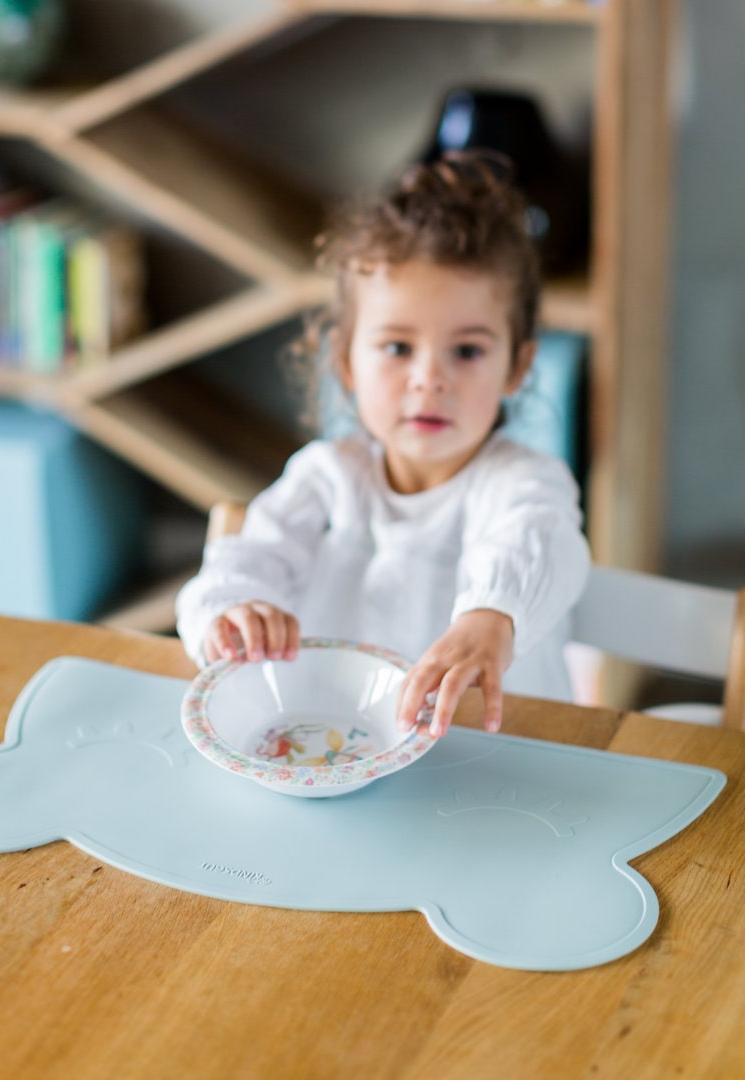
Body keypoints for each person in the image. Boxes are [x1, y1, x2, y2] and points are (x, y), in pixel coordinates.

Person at [176, 155, 591, 738]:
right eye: (398, 348)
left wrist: (490, 617)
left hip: (494, 762)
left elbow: (541, 540)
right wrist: (233, 611)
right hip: (338, 752)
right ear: (346, 360)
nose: (429, 378)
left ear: (518, 366)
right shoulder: (327, 476)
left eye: (467, 351)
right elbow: (239, 567)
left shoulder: (524, 480)